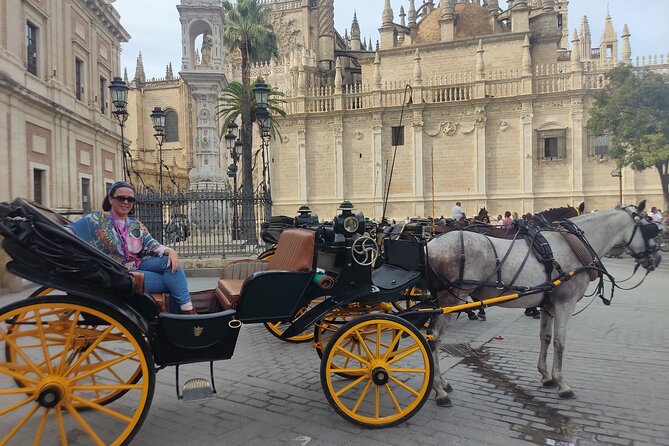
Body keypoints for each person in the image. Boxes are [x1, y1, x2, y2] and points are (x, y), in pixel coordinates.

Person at [68, 181, 195, 314]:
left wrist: (171, 251)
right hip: (117, 273)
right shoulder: (95, 220)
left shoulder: (135, 224)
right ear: (110, 199)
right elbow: (68, 232)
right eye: (121, 198)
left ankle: (185, 311)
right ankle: (187, 313)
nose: (126, 202)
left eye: (131, 199)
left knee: (170, 264)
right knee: (175, 284)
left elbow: (152, 245)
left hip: (137, 266)